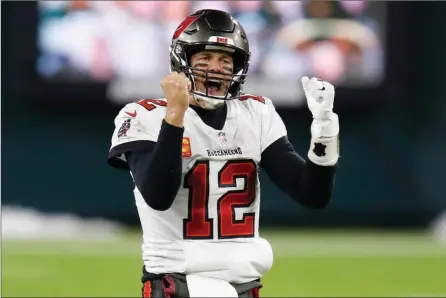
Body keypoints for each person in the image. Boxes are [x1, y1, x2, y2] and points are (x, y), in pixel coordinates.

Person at [108, 9, 339, 298]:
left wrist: (325, 133)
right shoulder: (144, 115)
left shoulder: (256, 112)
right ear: (183, 62)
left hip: (244, 282)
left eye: (225, 60)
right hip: (178, 280)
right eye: (204, 59)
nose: (215, 68)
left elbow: (311, 195)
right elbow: (158, 196)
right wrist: (175, 116)